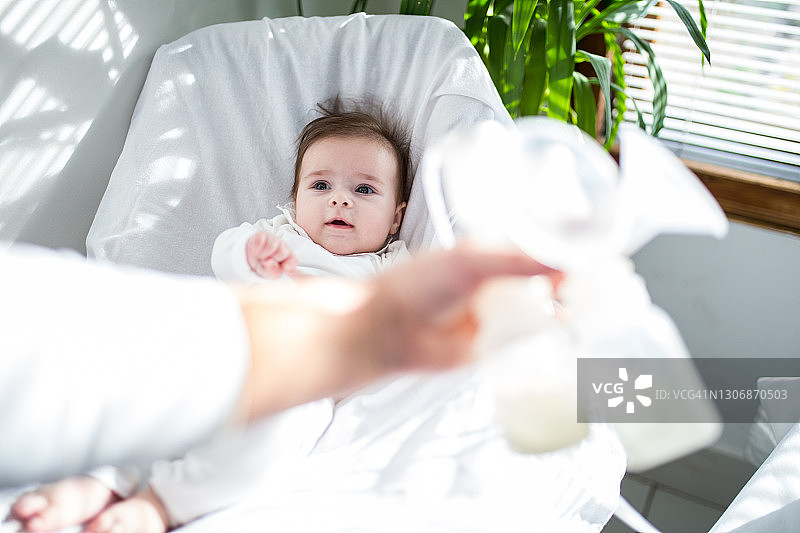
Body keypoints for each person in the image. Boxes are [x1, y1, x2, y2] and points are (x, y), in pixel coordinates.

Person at [6, 107, 561, 532]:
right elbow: (224, 253)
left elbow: (433, 312)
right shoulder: (280, 237)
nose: (338, 201)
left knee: (272, 433)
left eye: (363, 190)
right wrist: (251, 255)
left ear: (397, 216)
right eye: (320, 185)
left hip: (307, 380)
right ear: (294, 198)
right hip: (229, 340)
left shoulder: (391, 267)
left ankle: (162, 502)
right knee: (141, 389)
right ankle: (100, 479)